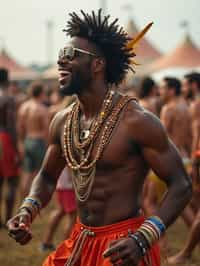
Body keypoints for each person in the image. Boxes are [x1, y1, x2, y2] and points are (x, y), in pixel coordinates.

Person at [7, 10, 192, 266]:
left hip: (123, 247)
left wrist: (144, 237)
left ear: (97, 64)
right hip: (81, 239)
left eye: (70, 55)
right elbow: (48, 176)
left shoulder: (136, 121)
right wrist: (28, 209)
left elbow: (181, 184)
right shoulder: (63, 121)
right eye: (61, 54)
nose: (61, 61)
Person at [168, 72, 200, 264]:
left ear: (194, 85)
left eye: (187, 85)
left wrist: (195, 161)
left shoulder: (196, 105)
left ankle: (186, 252)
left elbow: (197, 135)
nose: (184, 89)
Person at [17, 81, 49, 197]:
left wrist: (20, 143)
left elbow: (20, 128)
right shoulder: (42, 109)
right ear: (41, 93)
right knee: (38, 173)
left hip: (27, 141)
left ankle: (23, 198)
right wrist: (48, 145)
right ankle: (35, 199)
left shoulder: (23, 107)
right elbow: (46, 131)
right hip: (38, 142)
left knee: (26, 173)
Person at [40, 167, 77, 251]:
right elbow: (69, 164)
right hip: (69, 186)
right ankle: (66, 247)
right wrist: (74, 180)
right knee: (73, 217)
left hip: (62, 184)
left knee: (61, 211)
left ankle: (47, 242)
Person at [0, 68, 19, 227]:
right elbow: (11, 126)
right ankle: (8, 217)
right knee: (12, 181)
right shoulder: (8, 98)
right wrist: (17, 150)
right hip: (5, 139)